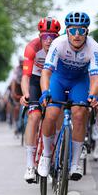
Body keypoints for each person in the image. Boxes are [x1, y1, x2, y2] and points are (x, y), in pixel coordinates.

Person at [38, 11, 98, 181]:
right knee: (51, 114)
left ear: (86, 32)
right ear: (67, 31)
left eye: (81, 31)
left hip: (79, 82)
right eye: (73, 30)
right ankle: (46, 155)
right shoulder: (58, 44)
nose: (77, 35)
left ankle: (74, 164)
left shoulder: (94, 47)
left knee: (80, 114)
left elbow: (96, 78)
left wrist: (93, 95)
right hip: (58, 80)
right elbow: (46, 72)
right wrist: (45, 93)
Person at [21, 16, 61, 183]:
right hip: (37, 81)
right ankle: (30, 165)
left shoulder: (61, 48)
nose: (49, 40)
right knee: (35, 116)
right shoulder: (32, 48)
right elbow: (26, 77)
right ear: (40, 36)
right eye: (45, 36)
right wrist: (25, 94)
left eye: (53, 37)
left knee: (57, 114)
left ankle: (56, 156)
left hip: (55, 80)